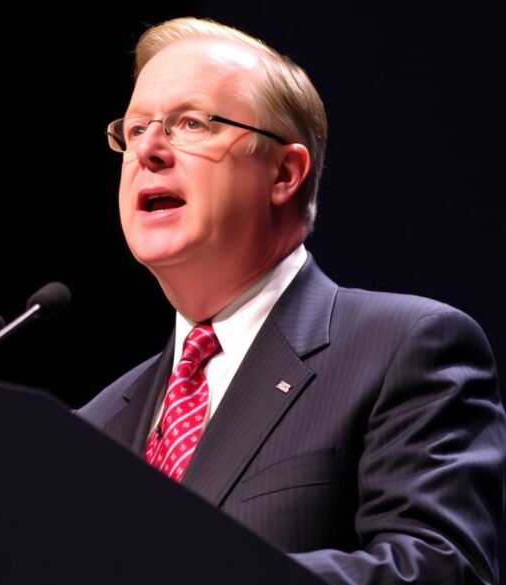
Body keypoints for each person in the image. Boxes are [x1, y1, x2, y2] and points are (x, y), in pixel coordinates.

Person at [77, 16, 506, 584]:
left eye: (190, 124)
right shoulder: (95, 424)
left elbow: (438, 570)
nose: (149, 150)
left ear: (284, 172)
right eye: (133, 131)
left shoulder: (406, 347)